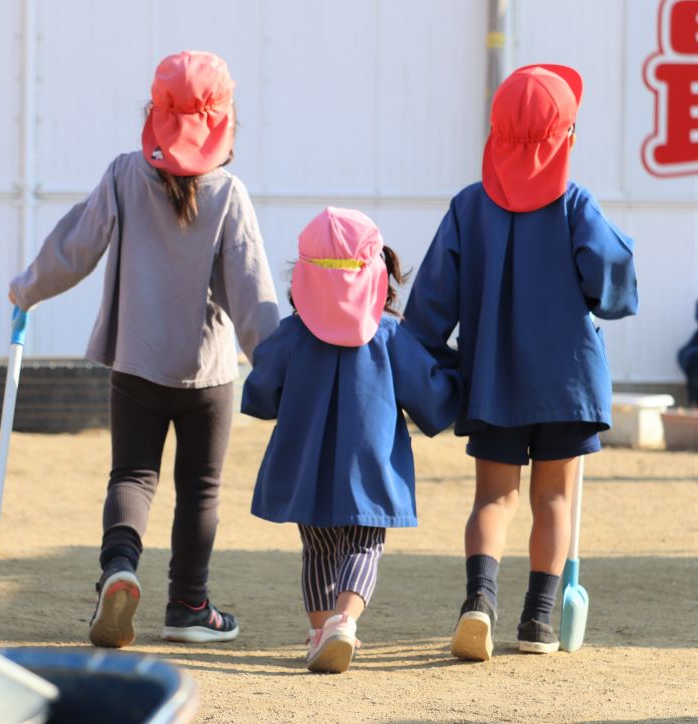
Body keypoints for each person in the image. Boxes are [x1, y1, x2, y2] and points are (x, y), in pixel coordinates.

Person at [8, 51, 280, 647]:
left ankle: (119, 569)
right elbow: (252, 294)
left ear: (154, 116)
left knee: (132, 475)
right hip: (207, 375)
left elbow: (74, 248)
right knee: (200, 489)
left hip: (135, 362)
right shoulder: (228, 194)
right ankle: (188, 604)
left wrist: (26, 289)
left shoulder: (123, 175)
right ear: (223, 122)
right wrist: (282, 374)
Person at [403, 65, 639, 660]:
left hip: (491, 380)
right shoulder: (576, 205)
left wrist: (433, 368)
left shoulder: (467, 207)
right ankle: (538, 621)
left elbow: (430, 308)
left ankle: (478, 602)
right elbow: (611, 281)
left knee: (493, 499)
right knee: (553, 498)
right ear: (567, 139)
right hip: (566, 382)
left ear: (494, 134)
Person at [241, 207, 461, 673]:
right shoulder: (389, 336)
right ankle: (345, 621)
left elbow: (261, 389)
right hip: (371, 465)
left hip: (306, 466)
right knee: (364, 545)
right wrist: (462, 378)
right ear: (378, 273)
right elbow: (432, 395)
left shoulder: (293, 335)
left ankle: (321, 631)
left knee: (318, 548)